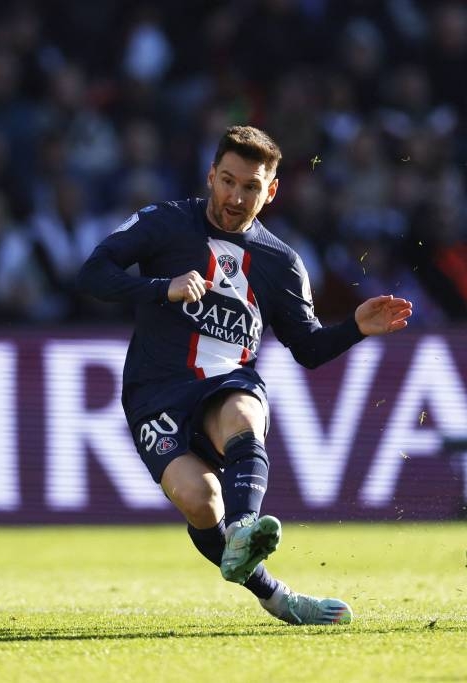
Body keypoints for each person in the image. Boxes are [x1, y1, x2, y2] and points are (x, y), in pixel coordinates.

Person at [77, 125, 412, 625]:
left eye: (251, 187)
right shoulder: (164, 223)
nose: (236, 197)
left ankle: (244, 527)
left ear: (270, 191)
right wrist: (160, 287)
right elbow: (92, 274)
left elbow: (310, 349)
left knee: (241, 412)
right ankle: (275, 596)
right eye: (228, 181)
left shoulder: (281, 263)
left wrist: (355, 329)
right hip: (155, 394)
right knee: (200, 500)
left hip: (227, 381)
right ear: (211, 176)